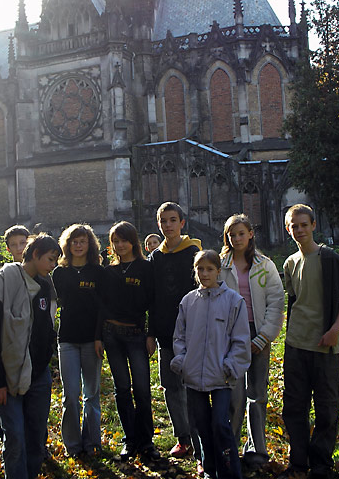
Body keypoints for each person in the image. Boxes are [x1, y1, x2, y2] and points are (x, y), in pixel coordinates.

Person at [0, 233, 62, 479]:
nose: (53, 266)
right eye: (51, 259)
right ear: (35, 254)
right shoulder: (2, 283)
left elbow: (45, 328)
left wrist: (45, 362)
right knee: (16, 439)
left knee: (35, 438)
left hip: (38, 374)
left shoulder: (45, 285)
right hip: (8, 377)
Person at [280, 204, 339, 479]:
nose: (299, 230)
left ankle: (321, 465)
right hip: (296, 344)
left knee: (327, 409)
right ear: (288, 230)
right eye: (293, 226)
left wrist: (335, 329)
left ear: (313, 225)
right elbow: (294, 300)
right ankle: (298, 462)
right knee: (295, 407)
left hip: (325, 346)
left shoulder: (330, 260)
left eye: (303, 224)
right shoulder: (289, 263)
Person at [171, 250, 251, 479]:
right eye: (200, 269)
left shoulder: (233, 301)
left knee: (220, 425)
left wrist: (231, 365)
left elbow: (241, 339)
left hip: (222, 377)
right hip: (194, 376)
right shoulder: (188, 301)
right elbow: (180, 336)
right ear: (195, 272)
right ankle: (209, 470)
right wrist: (183, 360)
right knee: (202, 426)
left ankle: (230, 472)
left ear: (218, 270)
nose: (205, 274)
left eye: (209, 269)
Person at [220, 214, 284, 472]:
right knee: (234, 394)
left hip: (257, 332)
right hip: (230, 336)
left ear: (250, 234)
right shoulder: (221, 265)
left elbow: (276, 302)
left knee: (257, 395)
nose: (236, 239)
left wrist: (264, 336)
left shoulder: (264, 265)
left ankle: (257, 449)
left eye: (241, 233)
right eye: (232, 235)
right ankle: (231, 447)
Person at [96, 221, 160, 462]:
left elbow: (153, 303)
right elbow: (101, 305)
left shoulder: (145, 268)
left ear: (133, 241)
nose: (120, 245)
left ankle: (147, 441)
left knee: (142, 390)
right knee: (122, 389)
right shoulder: (108, 271)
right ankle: (130, 439)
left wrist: (151, 334)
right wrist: (98, 337)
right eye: (115, 241)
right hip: (111, 335)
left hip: (136, 335)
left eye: (124, 240)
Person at [148, 202, 202, 466]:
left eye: (172, 220)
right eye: (163, 221)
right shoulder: (155, 257)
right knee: (170, 386)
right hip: (165, 332)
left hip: (191, 331)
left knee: (193, 385)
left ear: (182, 223)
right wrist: (151, 331)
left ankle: (199, 435)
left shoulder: (193, 252)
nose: (168, 225)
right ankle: (183, 436)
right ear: (159, 225)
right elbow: (151, 296)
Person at [53, 224, 104, 458]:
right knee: (71, 394)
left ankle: (92, 441)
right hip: (68, 340)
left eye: (83, 241)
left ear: (89, 244)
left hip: (91, 340)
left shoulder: (98, 272)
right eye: (74, 241)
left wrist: (99, 338)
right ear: (68, 245)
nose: (79, 245)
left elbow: (103, 307)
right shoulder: (60, 273)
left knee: (91, 394)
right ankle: (72, 444)